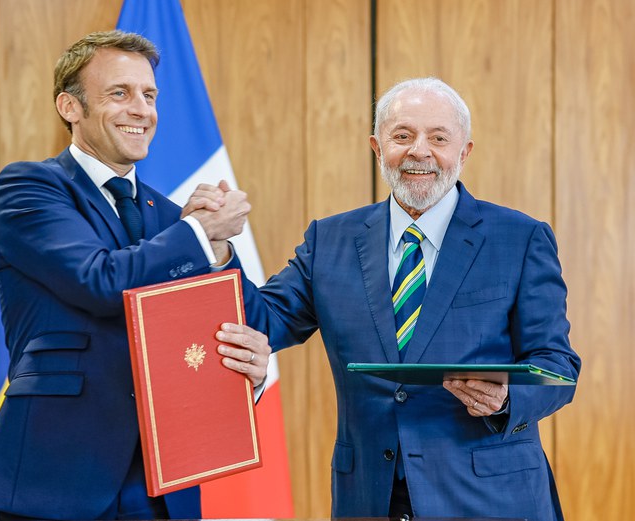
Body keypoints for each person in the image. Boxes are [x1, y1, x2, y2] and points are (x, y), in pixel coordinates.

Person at [190, 77, 581, 521]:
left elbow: (558, 365)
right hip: (370, 497)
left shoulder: (520, 238)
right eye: (402, 136)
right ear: (377, 148)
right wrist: (218, 247)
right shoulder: (330, 240)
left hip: (491, 497)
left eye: (438, 138)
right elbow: (259, 322)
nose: (419, 151)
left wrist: (509, 398)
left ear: (464, 152)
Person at [0, 30, 271, 521]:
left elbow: (251, 319)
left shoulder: (175, 218)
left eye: (149, 95)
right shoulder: (31, 187)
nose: (141, 110)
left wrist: (217, 248)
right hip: (59, 478)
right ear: (71, 107)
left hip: (164, 484)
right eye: (119, 93)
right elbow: (100, 281)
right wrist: (196, 233)